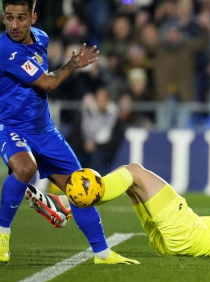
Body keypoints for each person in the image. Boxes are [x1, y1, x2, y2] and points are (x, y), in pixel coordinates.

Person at [0, 0, 137, 264]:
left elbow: (42, 75)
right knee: (25, 168)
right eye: (8, 18)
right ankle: (2, 234)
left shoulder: (41, 38)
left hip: (44, 130)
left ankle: (102, 253)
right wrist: (73, 64)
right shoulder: (6, 49)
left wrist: (64, 67)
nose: (14, 25)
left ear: (33, 18)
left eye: (21, 18)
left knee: (81, 187)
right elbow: (49, 83)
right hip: (11, 127)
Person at [27, 165, 210, 258]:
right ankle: (66, 206)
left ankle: (65, 205)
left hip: (189, 236)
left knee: (135, 171)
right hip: (168, 240)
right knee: (129, 182)